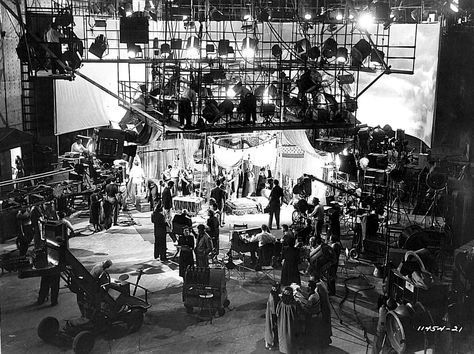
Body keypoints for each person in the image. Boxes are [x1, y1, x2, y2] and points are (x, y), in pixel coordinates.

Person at [37, 237, 65, 307]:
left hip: (49, 260)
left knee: (45, 279)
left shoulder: (48, 237)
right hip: (55, 261)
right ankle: (53, 301)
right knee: (54, 281)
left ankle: (41, 298)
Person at [276, 286, 300, 354]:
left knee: (283, 339)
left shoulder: (280, 303)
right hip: (291, 326)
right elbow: (298, 314)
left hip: (282, 326)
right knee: (291, 340)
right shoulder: (294, 304)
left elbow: (277, 313)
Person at [265, 282, 281, 350]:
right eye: (273, 287)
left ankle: (275, 340)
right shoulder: (273, 294)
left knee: (275, 327)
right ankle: (274, 341)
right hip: (273, 314)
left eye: (275, 287)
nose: (273, 288)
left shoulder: (274, 294)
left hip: (274, 313)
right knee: (274, 327)